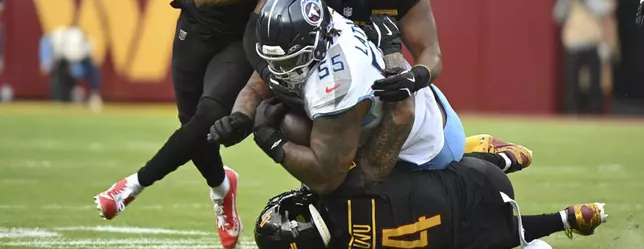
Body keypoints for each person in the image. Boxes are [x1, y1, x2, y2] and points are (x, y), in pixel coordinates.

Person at [94, 0, 316, 247]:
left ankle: (134, 184)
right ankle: (221, 186)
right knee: (190, 123)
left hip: (248, 29)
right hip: (201, 23)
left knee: (208, 115)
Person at [236, 0, 532, 175]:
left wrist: (415, 77)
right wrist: (268, 79)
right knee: (294, 124)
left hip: (371, 73)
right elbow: (258, 26)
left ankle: (468, 159)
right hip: (315, 65)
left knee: (385, 151)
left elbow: (430, 51)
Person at [209, 0, 530, 195]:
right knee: (285, 114)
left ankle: (484, 167)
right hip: (411, 114)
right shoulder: (315, 26)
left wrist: (272, 142)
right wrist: (241, 117)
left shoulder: (338, 84)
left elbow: (327, 178)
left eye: (291, 61)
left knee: (333, 183)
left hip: (423, 151)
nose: (280, 71)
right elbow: (258, 83)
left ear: (315, 45)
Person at [253, 157, 607, 249]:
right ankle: (500, 159)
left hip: (486, 231)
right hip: (478, 179)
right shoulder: (339, 187)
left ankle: (562, 219)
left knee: (464, 238)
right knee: (403, 161)